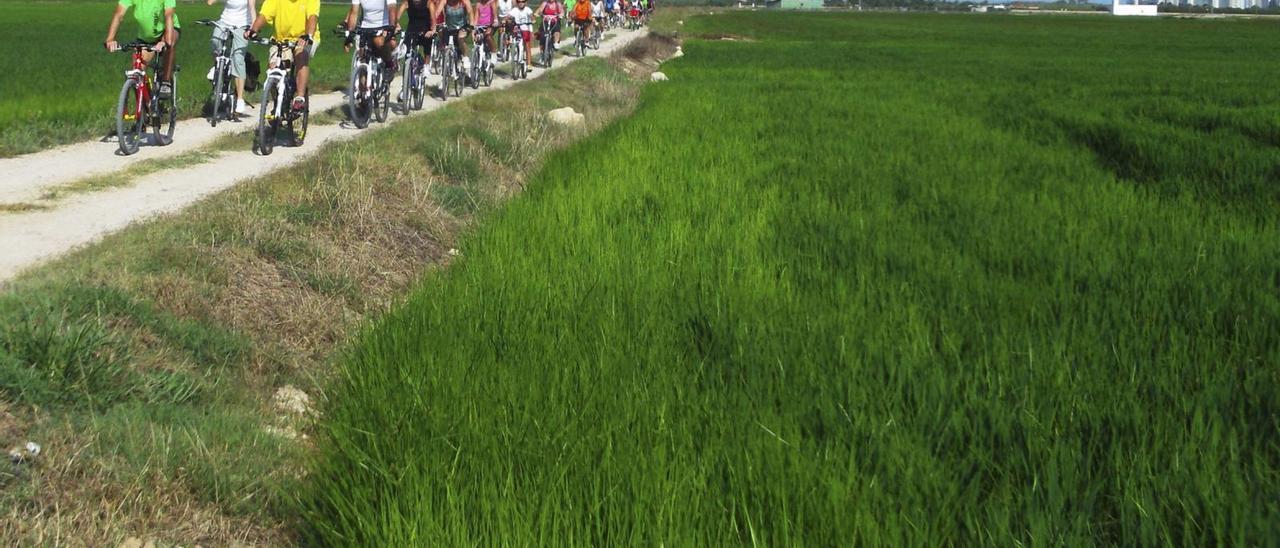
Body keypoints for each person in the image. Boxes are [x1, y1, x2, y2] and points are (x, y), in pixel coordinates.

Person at [245, 0, 318, 112]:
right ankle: (278, 103)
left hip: (304, 39)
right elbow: (264, 15)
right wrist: (253, 29)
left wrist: (308, 36)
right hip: (281, 39)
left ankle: (300, 97)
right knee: (273, 67)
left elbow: (312, 17)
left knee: (300, 56)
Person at [104, 0, 181, 99]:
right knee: (138, 71)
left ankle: (166, 82)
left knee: (169, 45)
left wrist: (165, 42)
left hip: (169, 30)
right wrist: (110, 39)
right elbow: (119, 14)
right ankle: (146, 107)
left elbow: (168, 16)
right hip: (146, 37)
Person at [208, 0, 255, 115]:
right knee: (215, 40)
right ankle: (217, 65)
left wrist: (253, 28)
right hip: (225, 22)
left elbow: (252, 8)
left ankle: (239, 99)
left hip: (242, 25)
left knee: (238, 58)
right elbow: (210, 2)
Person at [346, 0, 399, 77]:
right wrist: (350, 33)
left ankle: (389, 65)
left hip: (383, 24)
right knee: (362, 54)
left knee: (379, 42)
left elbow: (392, 9)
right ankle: (362, 82)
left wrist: (391, 28)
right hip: (365, 26)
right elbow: (354, 12)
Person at [432, 0, 476, 73]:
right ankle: (445, 72)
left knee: (460, 37)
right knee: (444, 41)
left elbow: (470, 13)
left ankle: (465, 57)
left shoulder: (464, 2)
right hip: (450, 28)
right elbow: (437, 13)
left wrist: (471, 26)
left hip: (463, 27)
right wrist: (434, 24)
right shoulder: (445, 1)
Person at [507, 0, 533, 69]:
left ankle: (529, 63)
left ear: (525, 2)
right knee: (513, 38)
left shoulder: (528, 9)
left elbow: (531, 15)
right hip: (517, 28)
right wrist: (506, 19)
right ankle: (513, 52)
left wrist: (532, 19)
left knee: (527, 45)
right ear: (517, 2)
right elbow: (509, 16)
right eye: (519, 1)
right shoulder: (514, 10)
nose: (521, 3)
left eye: (523, 1)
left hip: (526, 28)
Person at [474, 0, 495, 67]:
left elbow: (494, 13)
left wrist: (495, 21)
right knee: (476, 40)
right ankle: (477, 57)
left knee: (488, 37)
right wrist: (474, 27)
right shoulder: (478, 4)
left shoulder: (491, 2)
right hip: (480, 26)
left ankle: (494, 53)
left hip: (489, 25)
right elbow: (476, 17)